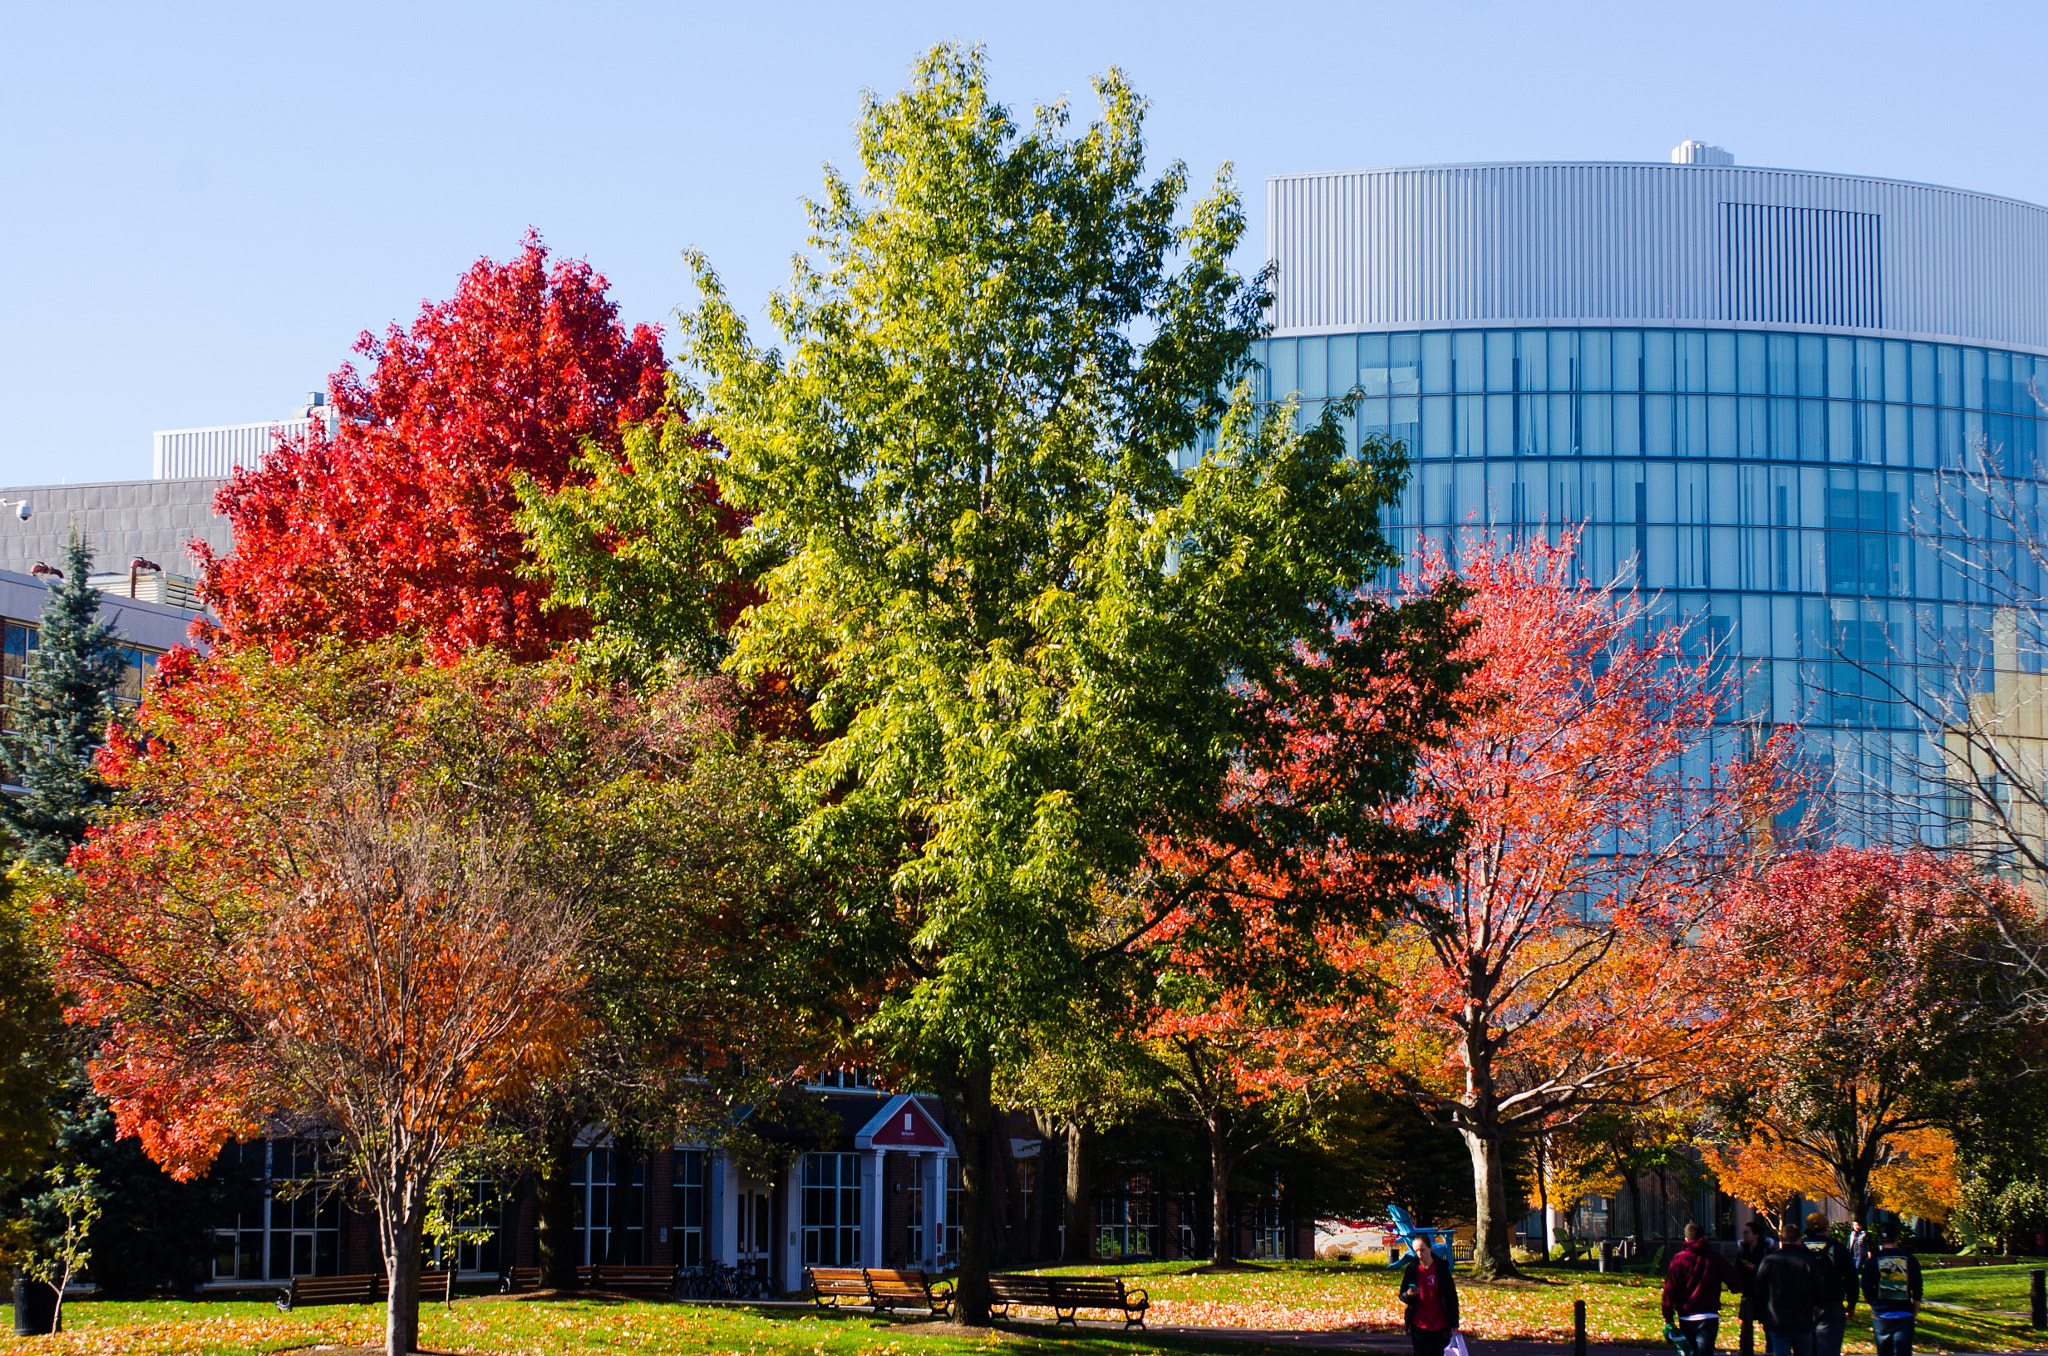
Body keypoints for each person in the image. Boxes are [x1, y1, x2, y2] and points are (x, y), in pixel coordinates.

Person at [1663, 1222, 1744, 1356]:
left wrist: (1668, 1316)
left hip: (1686, 1315)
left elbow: (1670, 1290)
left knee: (1690, 1351)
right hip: (1708, 1314)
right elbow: (1735, 1280)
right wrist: (1735, 1288)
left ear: (1686, 1240)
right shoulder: (1714, 1258)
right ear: (1704, 1238)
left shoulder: (1679, 1259)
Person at [1749, 1221, 1820, 1356]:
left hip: (1777, 1319)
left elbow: (1759, 1289)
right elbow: (1819, 1291)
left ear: (1781, 1239)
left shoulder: (1769, 1261)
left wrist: (1764, 1312)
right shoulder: (1808, 1262)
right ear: (1799, 1240)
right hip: (1803, 1319)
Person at [1799, 1213, 1859, 1356]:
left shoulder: (1799, 1248)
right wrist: (1851, 1304)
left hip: (1802, 1307)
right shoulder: (1838, 1248)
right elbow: (1851, 1277)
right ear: (1826, 1228)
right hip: (1831, 1305)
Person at [1860, 1224, 1922, 1356]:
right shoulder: (1910, 1259)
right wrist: (1914, 1311)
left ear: (1879, 1239)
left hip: (1882, 1314)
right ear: (1897, 1238)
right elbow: (1917, 1288)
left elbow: (1865, 1285)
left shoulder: (1873, 1261)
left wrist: (1874, 1304)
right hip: (1904, 1313)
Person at [1398, 1234, 1461, 1356]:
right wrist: (1409, 1294)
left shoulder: (1441, 1269)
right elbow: (1402, 1296)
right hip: (1419, 1324)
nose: (1420, 1254)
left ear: (1430, 1249)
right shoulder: (1411, 1270)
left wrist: (1454, 1322)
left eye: (1422, 1250)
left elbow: (1451, 1297)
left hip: (1440, 1324)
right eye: (1416, 1251)